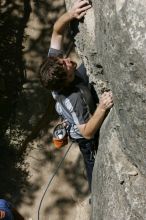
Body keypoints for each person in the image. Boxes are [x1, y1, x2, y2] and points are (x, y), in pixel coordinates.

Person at [39, 0, 114, 191]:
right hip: (82, 132)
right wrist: (103, 106)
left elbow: (56, 32)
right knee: (91, 160)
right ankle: (95, 192)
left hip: (77, 85)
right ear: (65, 82)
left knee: (84, 71)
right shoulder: (72, 99)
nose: (70, 62)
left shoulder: (54, 64)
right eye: (67, 68)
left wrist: (71, 14)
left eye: (64, 61)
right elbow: (87, 132)